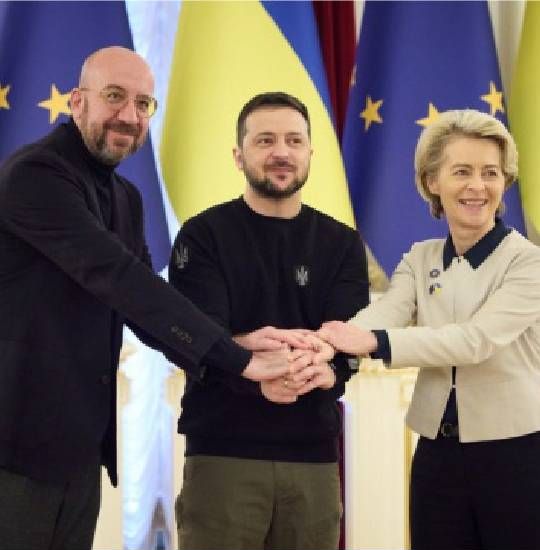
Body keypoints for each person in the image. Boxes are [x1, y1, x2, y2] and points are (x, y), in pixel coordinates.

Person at [0, 48, 306, 550]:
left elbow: (145, 306)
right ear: (77, 102)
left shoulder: (127, 197)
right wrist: (239, 360)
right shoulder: (35, 175)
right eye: (114, 97)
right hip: (13, 450)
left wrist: (231, 344)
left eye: (143, 104)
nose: (129, 115)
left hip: (78, 452)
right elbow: (121, 280)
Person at [318, 109, 540, 550]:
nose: (478, 186)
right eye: (462, 171)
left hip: (517, 452)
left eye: (491, 173)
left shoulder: (528, 262)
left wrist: (372, 342)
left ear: (505, 182)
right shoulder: (420, 257)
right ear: (431, 181)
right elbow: (385, 313)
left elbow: (474, 341)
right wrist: (327, 344)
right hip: (437, 453)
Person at [168, 91, 369, 550]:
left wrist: (327, 369)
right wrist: (255, 372)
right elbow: (197, 337)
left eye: (294, 140)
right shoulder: (202, 236)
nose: (281, 152)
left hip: (313, 458)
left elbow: (349, 340)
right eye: (265, 141)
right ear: (239, 156)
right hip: (223, 454)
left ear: (310, 153)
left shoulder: (342, 244)